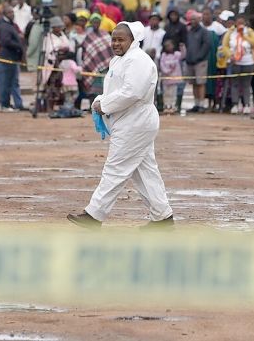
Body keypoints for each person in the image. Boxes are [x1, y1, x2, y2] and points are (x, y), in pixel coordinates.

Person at [67, 21, 174, 230]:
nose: (115, 43)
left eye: (120, 39)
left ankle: (94, 215)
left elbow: (132, 93)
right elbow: (118, 89)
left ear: (132, 40)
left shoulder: (138, 61)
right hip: (129, 122)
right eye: (113, 39)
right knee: (145, 172)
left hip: (136, 123)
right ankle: (163, 219)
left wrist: (103, 105)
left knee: (115, 169)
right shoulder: (120, 60)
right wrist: (102, 101)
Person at [227, 15, 254, 114]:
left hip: (248, 62)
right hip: (235, 62)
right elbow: (225, 46)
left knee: (246, 84)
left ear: (245, 23)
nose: (240, 24)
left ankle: (246, 105)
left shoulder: (249, 32)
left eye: (242, 22)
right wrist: (230, 55)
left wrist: (244, 36)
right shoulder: (231, 33)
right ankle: (235, 104)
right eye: (238, 22)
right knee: (235, 84)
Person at [0, 7, 25, 112]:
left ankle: (17, 104)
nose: (12, 14)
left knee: (13, 81)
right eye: (9, 12)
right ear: (4, 14)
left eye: (12, 12)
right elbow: (5, 41)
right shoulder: (4, 26)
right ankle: (5, 104)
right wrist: (18, 45)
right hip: (7, 57)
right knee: (6, 82)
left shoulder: (11, 25)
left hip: (13, 57)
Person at [80, 14, 112, 106]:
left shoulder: (105, 34)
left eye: (97, 22)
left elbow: (110, 49)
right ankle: (93, 106)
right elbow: (85, 51)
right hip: (93, 66)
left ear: (100, 23)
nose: (96, 24)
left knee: (106, 87)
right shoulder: (88, 37)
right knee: (94, 88)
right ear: (91, 23)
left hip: (107, 66)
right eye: (94, 22)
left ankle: (105, 106)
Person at [184, 10, 212, 113]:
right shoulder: (189, 31)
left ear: (199, 20)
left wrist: (199, 57)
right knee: (193, 83)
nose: (193, 21)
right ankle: (196, 104)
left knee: (201, 83)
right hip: (190, 61)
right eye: (191, 19)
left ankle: (201, 104)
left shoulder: (204, 31)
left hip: (200, 61)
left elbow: (207, 45)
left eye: (194, 19)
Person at [158, 39, 182, 116]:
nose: (168, 47)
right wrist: (166, 71)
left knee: (173, 93)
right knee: (166, 93)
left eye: (170, 45)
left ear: (173, 46)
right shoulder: (163, 55)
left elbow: (183, 55)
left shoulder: (177, 54)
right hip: (166, 78)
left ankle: (172, 106)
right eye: (167, 46)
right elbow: (162, 64)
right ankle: (166, 106)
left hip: (174, 78)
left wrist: (182, 47)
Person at [25, 7, 43, 71]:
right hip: (35, 52)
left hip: (35, 54)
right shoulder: (31, 24)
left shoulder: (38, 25)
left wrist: (28, 53)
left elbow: (33, 43)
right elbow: (26, 36)